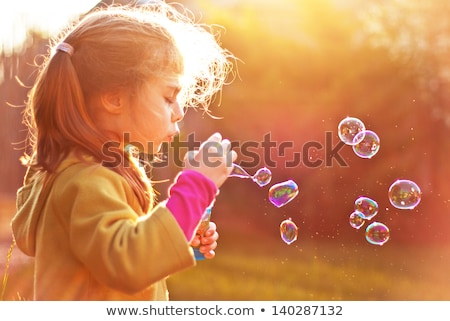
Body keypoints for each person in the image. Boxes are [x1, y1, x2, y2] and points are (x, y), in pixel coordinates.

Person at [11, 0, 237, 300]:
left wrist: (180, 229)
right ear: (114, 98)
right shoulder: (88, 181)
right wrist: (197, 186)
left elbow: (117, 259)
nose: (180, 111)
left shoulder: (86, 172)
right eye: (169, 97)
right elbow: (130, 264)